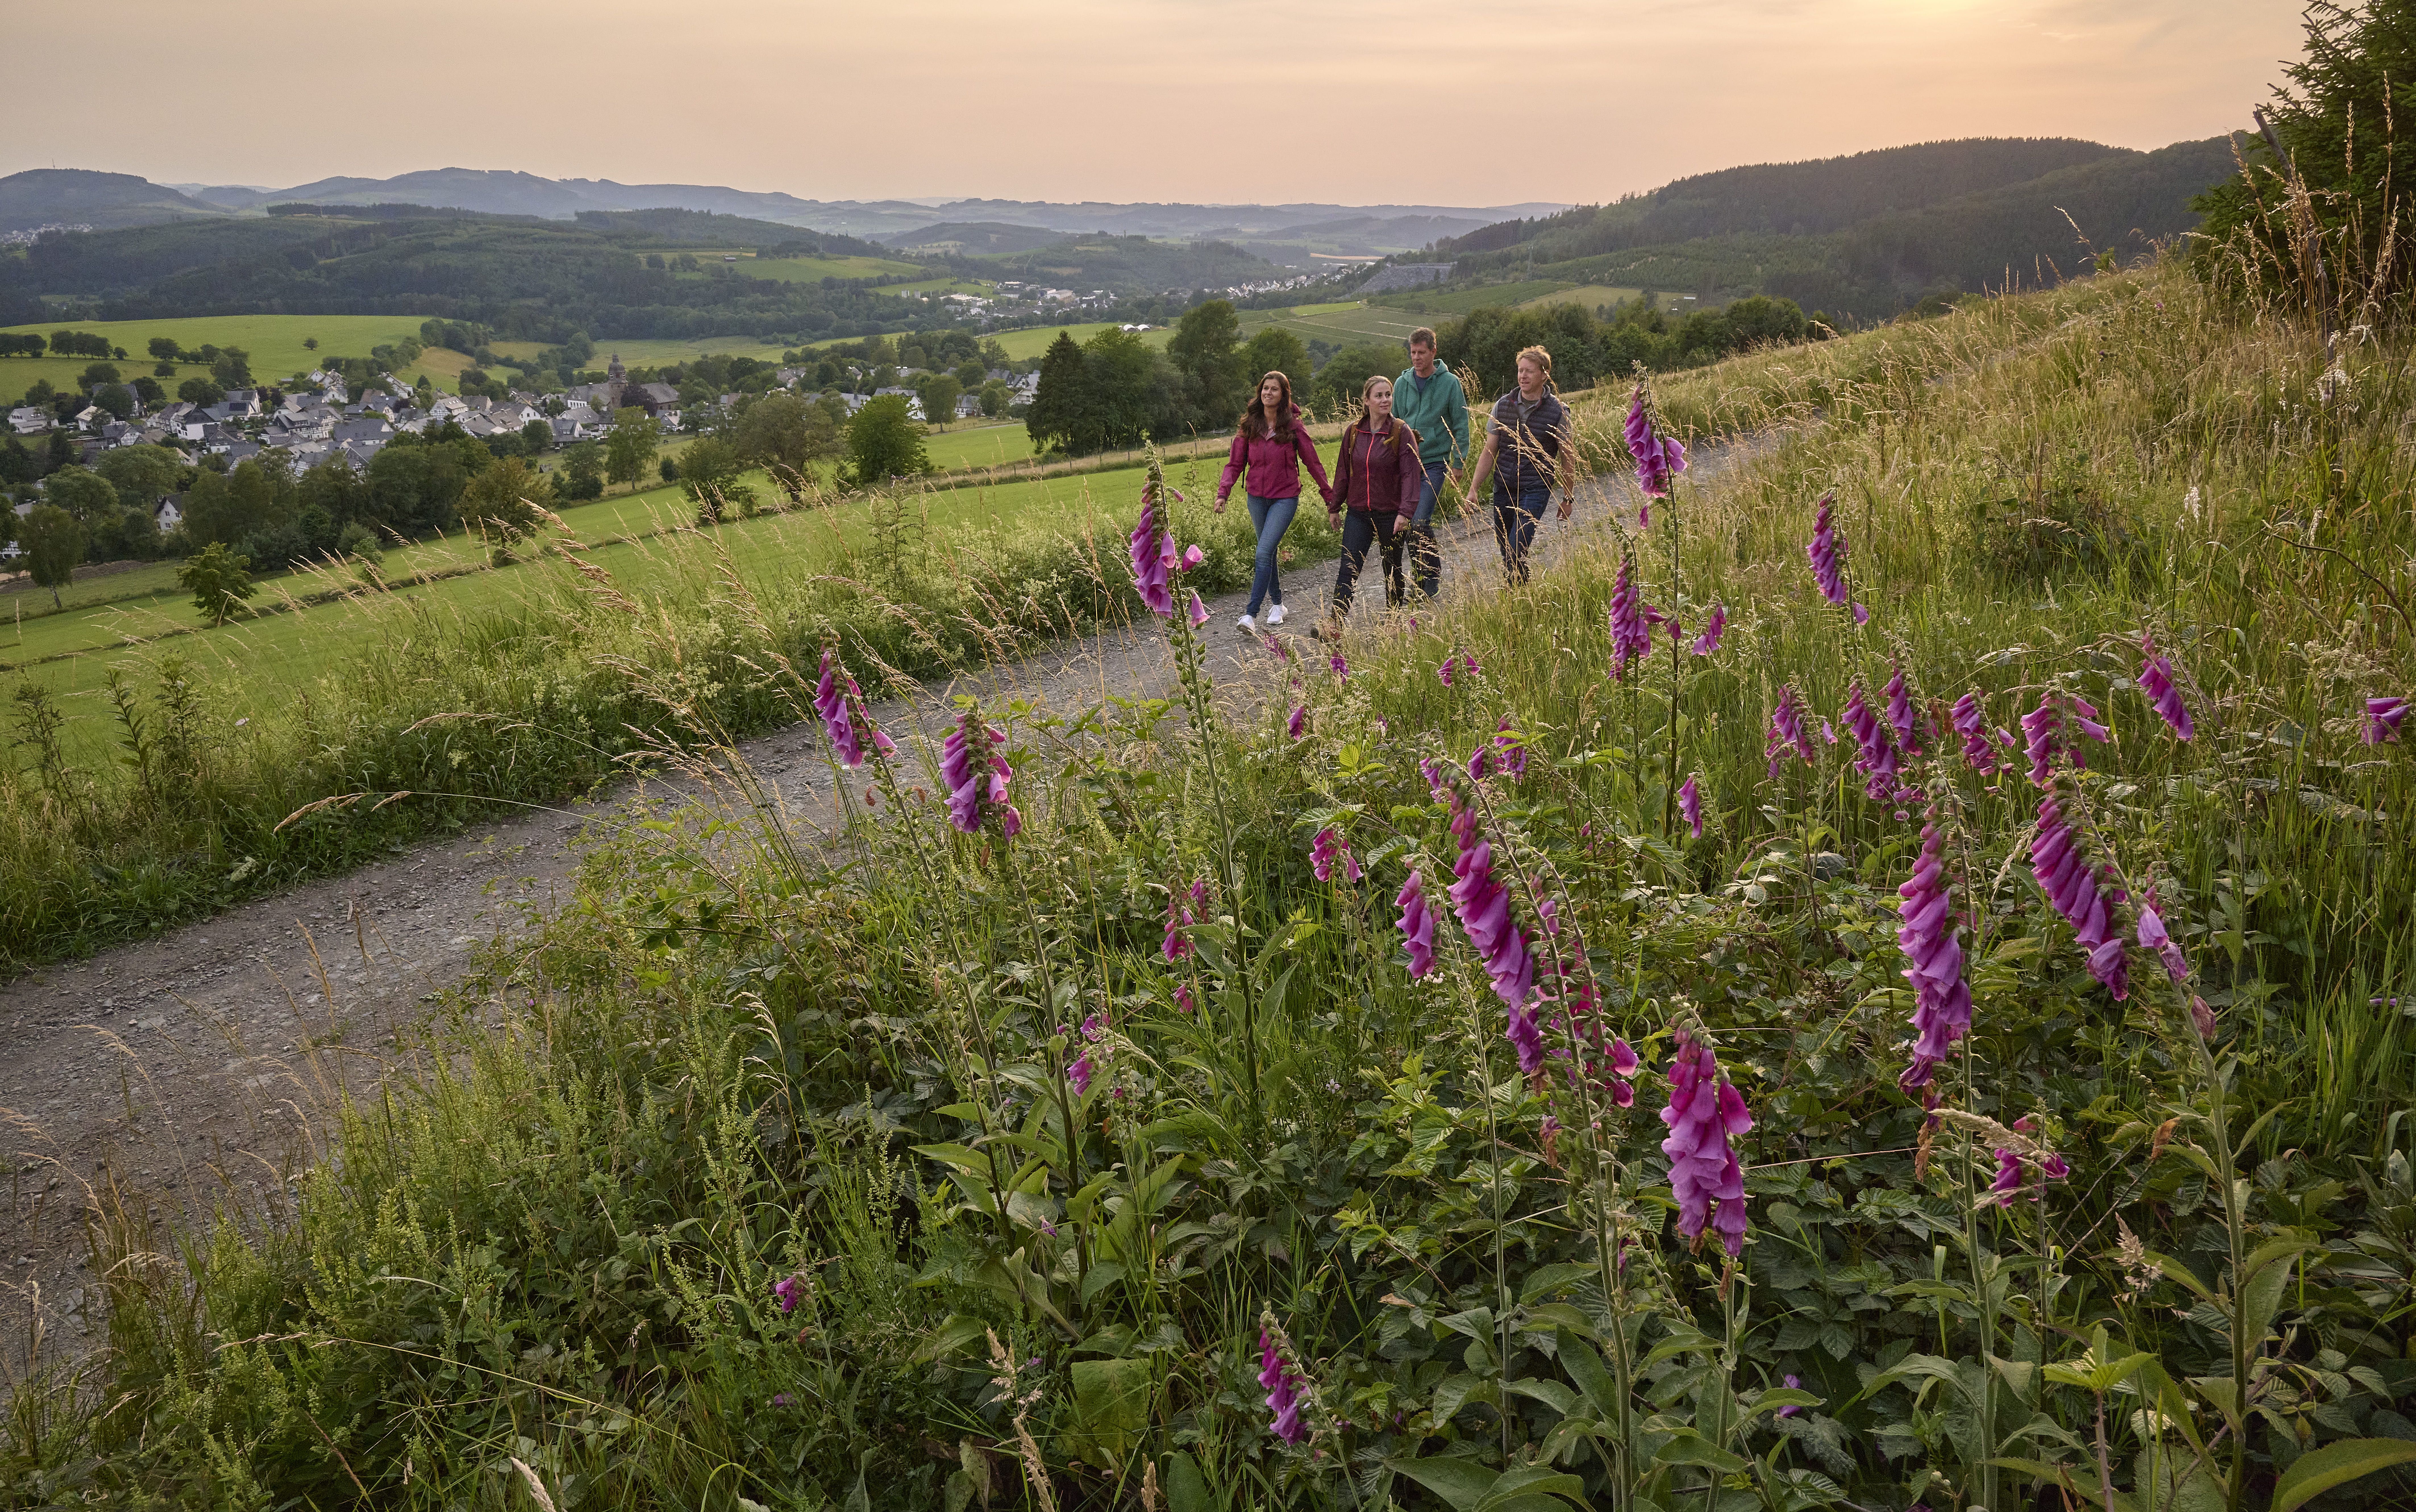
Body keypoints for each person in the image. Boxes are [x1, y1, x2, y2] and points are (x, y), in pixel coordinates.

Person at [1214, 370, 1332, 633]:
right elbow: (1235, 464)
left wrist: (1329, 496)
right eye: (1265, 389)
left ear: (1283, 395)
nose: (1268, 393)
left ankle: (1250, 614)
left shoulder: (1293, 427)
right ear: (1260, 393)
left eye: (1274, 389)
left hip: (1285, 498)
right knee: (1268, 552)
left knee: (1263, 552)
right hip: (1256, 498)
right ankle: (1278, 605)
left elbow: (1312, 462)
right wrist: (1223, 493)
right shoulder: (1250, 426)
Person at [1462, 345, 1576, 587]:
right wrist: (1473, 489)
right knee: (1508, 552)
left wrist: (1568, 499)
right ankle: (1521, 591)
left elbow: (1568, 458)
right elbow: (1489, 451)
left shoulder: (1558, 412)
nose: (1523, 376)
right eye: (1520, 371)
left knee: (1516, 548)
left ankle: (1514, 591)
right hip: (1503, 487)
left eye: (1529, 372)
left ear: (1544, 375)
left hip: (1535, 488)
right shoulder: (1503, 405)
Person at [1319, 374, 1424, 631]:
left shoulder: (1400, 431)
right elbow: (1343, 471)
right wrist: (1335, 506)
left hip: (1391, 514)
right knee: (1349, 567)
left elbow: (1412, 474)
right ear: (1366, 401)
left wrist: (1406, 512)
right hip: (1358, 513)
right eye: (1379, 396)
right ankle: (1334, 625)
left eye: (1388, 395)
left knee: (1392, 567)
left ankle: (1394, 621)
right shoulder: (1354, 432)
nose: (1385, 400)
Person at [1391, 326, 1469, 600]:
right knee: (1410, 522)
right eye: (1412, 353)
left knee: (1419, 519)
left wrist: (1459, 462)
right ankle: (1421, 578)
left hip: (1435, 463)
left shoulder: (1450, 383)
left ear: (1433, 352)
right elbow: (1394, 425)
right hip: (1406, 465)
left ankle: (1430, 577)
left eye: (1421, 353)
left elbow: (1460, 424)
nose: (1416, 358)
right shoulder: (1401, 385)